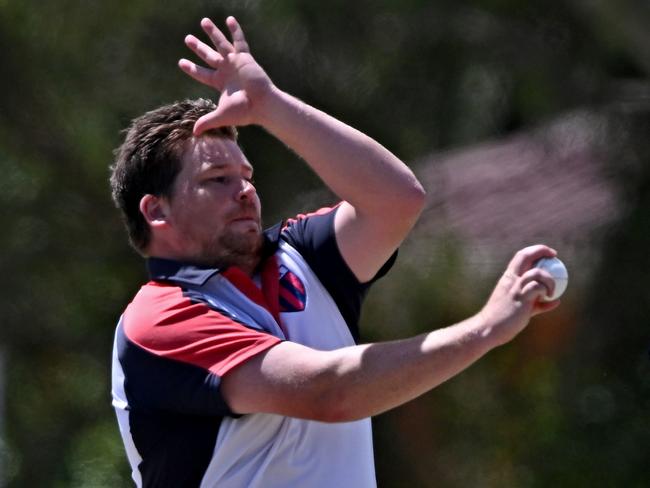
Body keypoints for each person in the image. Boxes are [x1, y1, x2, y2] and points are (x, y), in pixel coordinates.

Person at [110, 16, 561, 488]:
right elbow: (330, 393)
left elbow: (397, 200)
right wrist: (486, 328)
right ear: (156, 212)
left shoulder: (298, 255)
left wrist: (270, 107)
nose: (244, 191)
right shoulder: (160, 318)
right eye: (217, 180)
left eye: (247, 177)